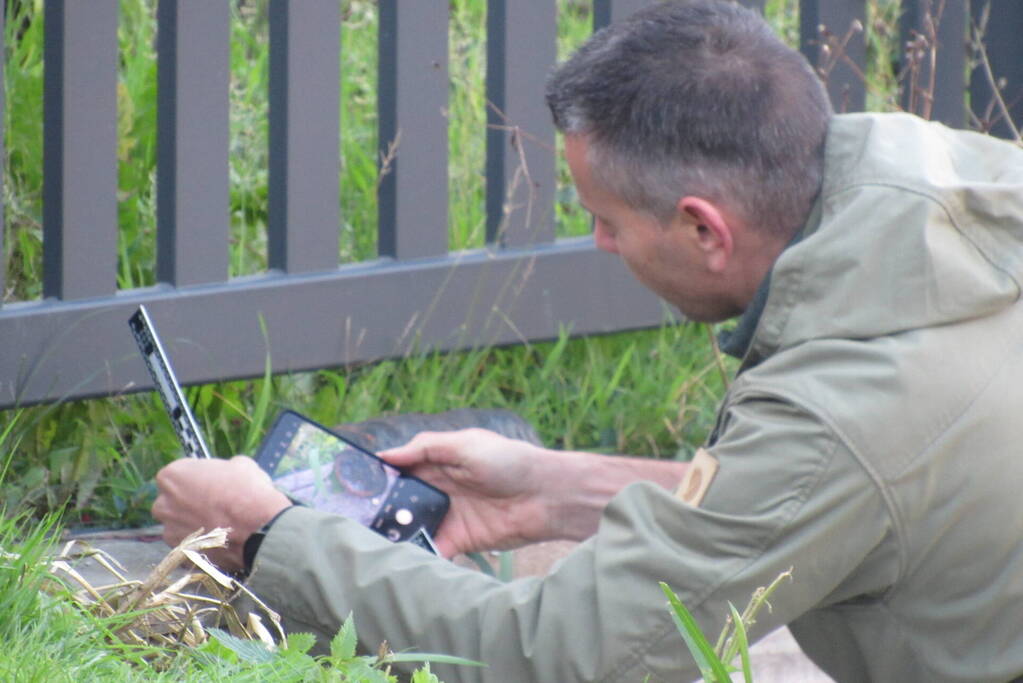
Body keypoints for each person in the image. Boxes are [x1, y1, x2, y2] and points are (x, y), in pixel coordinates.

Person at [152, 1, 1023, 680]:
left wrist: (266, 535)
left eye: (605, 220)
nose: (601, 245)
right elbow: (856, 491)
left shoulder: (841, 411)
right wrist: (557, 488)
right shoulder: (956, 208)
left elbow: (552, 657)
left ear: (704, 230)